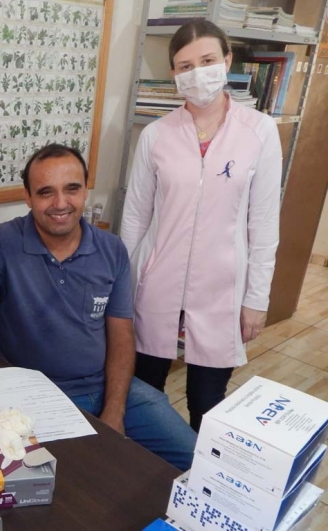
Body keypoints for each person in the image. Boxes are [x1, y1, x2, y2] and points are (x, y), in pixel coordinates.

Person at [0, 144, 197, 472]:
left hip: (109, 387)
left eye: (72, 189)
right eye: (46, 192)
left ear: (86, 191)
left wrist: (114, 410)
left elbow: (121, 336)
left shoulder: (112, 250)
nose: (61, 203)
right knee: (73, 487)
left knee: (200, 462)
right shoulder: (0, 242)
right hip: (31, 398)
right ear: (28, 197)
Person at [120, 21, 281, 432]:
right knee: (144, 391)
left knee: (206, 401)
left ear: (227, 61)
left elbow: (263, 225)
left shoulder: (259, 132)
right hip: (156, 282)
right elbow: (136, 215)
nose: (197, 73)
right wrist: (123, 289)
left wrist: (256, 299)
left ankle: (198, 481)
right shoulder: (156, 135)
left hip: (222, 287)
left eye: (207, 61)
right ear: (174, 73)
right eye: (185, 65)